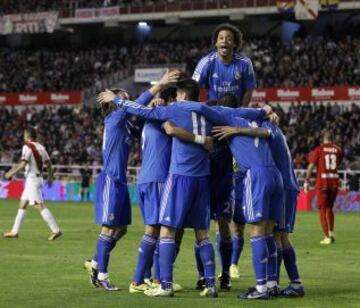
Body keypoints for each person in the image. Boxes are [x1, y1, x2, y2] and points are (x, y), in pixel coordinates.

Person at [98, 79, 219, 298]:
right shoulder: (160, 117)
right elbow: (166, 124)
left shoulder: (142, 121)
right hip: (159, 179)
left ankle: (156, 278)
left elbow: (140, 111)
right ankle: (145, 280)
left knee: (164, 229)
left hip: (151, 178)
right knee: (158, 229)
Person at [83, 69, 181, 292]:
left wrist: (156, 105)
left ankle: (95, 262)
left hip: (120, 181)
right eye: (124, 97)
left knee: (121, 229)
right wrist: (161, 84)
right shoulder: (115, 118)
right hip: (110, 179)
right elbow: (140, 103)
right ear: (115, 103)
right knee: (109, 228)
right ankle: (102, 275)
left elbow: (146, 118)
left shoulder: (127, 123)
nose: (128, 99)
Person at [188, 103, 283, 300]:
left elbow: (204, 110)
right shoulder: (259, 118)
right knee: (268, 233)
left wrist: (182, 104)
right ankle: (271, 284)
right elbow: (267, 127)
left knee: (256, 232)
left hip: (256, 175)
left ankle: (261, 288)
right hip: (276, 176)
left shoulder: (229, 116)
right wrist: (268, 110)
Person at [192, 23, 257, 285]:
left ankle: (225, 274)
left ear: (235, 43)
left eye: (229, 39)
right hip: (212, 119)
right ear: (216, 42)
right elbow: (194, 90)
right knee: (204, 225)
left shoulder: (245, 64)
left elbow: (250, 89)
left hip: (233, 120)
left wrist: (239, 115)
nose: (224, 42)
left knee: (222, 222)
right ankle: (202, 274)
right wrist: (206, 111)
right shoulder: (206, 62)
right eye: (220, 38)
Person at [3, 127, 62, 241]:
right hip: (37, 179)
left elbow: (23, 164)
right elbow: (49, 164)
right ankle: (15, 231)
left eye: (24, 136)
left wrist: (9, 173)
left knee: (38, 205)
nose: (24, 138)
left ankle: (56, 230)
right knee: (22, 204)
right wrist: (49, 177)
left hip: (32, 180)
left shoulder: (27, 147)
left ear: (28, 137)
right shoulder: (41, 147)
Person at [304, 130, 343, 245]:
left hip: (323, 182)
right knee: (330, 208)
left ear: (323, 139)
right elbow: (338, 163)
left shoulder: (319, 150)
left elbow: (311, 166)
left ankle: (327, 237)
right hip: (334, 181)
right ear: (332, 139)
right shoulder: (338, 150)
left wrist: (306, 181)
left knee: (322, 210)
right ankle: (331, 232)